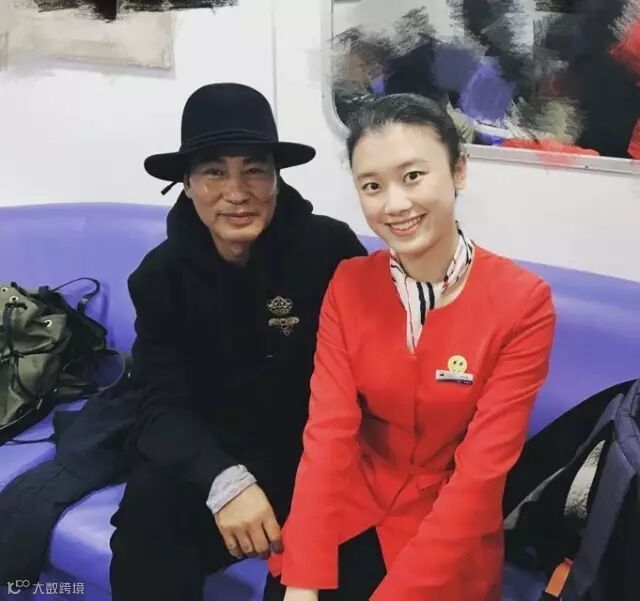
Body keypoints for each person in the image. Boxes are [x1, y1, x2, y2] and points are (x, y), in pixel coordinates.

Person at [265, 94, 557, 601]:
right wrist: (303, 578)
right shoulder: (349, 284)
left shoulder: (522, 304)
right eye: (372, 186)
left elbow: (479, 478)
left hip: (445, 530)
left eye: (413, 176)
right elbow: (327, 436)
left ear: (458, 170)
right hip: (352, 511)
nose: (395, 204)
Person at [108, 83, 366, 601]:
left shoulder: (330, 249)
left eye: (254, 170)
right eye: (213, 172)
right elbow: (159, 404)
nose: (237, 191)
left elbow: (377, 370)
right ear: (186, 184)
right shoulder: (159, 277)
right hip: (216, 453)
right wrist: (222, 480)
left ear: (277, 178)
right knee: (146, 525)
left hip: (318, 458)